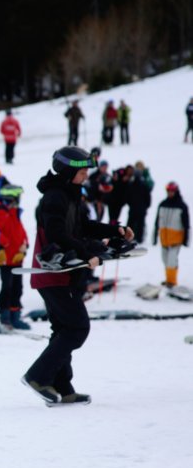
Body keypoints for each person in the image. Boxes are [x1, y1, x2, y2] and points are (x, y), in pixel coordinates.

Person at [23, 146, 134, 405]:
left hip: (65, 273)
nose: (86, 175)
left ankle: (62, 387)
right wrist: (86, 253)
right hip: (53, 272)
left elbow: (82, 226)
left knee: (63, 328)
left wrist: (115, 231)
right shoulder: (54, 197)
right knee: (77, 327)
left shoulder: (70, 195)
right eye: (82, 170)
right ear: (68, 171)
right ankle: (37, 376)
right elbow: (56, 234)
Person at [0, 184, 29, 331]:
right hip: (6, 259)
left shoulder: (14, 212)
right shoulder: (1, 212)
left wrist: (25, 244)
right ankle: (4, 315)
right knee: (7, 286)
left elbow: (21, 231)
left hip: (17, 258)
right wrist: (5, 244)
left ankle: (15, 315)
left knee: (18, 287)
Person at [152, 182, 188, 288]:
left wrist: (186, 239)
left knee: (172, 260)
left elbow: (186, 224)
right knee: (165, 259)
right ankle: (168, 279)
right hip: (164, 238)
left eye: (172, 191)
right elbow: (157, 220)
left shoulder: (182, 206)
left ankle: (172, 282)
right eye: (168, 191)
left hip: (176, 239)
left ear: (176, 191)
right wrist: (155, 235)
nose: (170, 193)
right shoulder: (162, 204)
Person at [127, 161, 154, 242]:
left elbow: (127, 197)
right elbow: (148, 198)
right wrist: (146, 206)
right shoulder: (144, 185)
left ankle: (130, 237)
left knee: (131, 223)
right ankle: (139, 238)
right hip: (141, 209)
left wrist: (131, 204)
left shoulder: (131, 184)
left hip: (134, 208)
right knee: (140, 224)